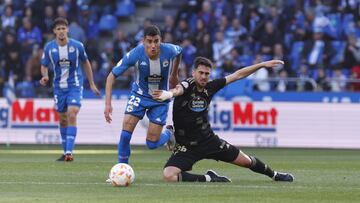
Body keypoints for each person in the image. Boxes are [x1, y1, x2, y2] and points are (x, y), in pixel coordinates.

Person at [152, 56, 294, 182]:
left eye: (207, 74)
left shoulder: (211, 86)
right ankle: (209, 178)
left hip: (208, 141)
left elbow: (237, 75)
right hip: (186, 146)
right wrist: (168, 94)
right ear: (193, 73)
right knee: (169, 176)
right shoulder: (187, 85)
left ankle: (274, 175)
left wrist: (261, 65)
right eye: (200, 73)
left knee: (246, 161)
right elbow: (177, 89)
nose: (203, 76)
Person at [104, 25, 182, 163]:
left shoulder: (169, 50)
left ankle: (169, 134)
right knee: (125, 135)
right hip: (139, 96)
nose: (153, 45)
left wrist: (174, 74)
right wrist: (108, 104)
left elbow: (179, 51)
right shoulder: (136, 53)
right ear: (143, 42)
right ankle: (122, 168)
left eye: (156, 41)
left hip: (160, 98)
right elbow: (111, 76)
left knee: (152, 144)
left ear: (161, 41)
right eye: (149, 41)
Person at [40, 17, 100, 162]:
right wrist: (45, 76)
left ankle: (69, 152)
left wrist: (91, 84)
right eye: (58, 29)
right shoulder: (49, 47)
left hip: (75, 85)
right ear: (54, 31)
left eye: (63, 28)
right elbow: (44, 64)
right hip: (58, 87)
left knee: (71, 114)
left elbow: (86, 63)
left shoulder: (77, 46)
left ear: (67, 30)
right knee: (62, 120)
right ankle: (65, 150)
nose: (61, 31)